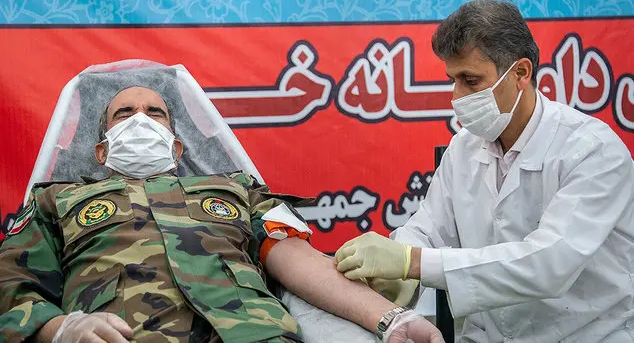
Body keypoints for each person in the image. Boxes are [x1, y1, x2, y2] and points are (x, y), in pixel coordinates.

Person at [0, 86, 444, 343]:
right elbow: (10, 287)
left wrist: (392, 319)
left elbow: (298, 260)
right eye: (124, 113)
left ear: (176, 146)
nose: (141, 120)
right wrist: (60, 328)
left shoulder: (237, 190)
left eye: (155, 112)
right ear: (101, 150)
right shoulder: (56, 201)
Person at [334, 0, 634, 342]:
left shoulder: (593, 150)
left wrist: (410, 262)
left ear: (521, 73)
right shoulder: (464, 148)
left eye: (471, 80)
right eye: (453, 79)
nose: (457, 96)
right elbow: (429, 229)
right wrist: (393, 271)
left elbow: (548, 265)